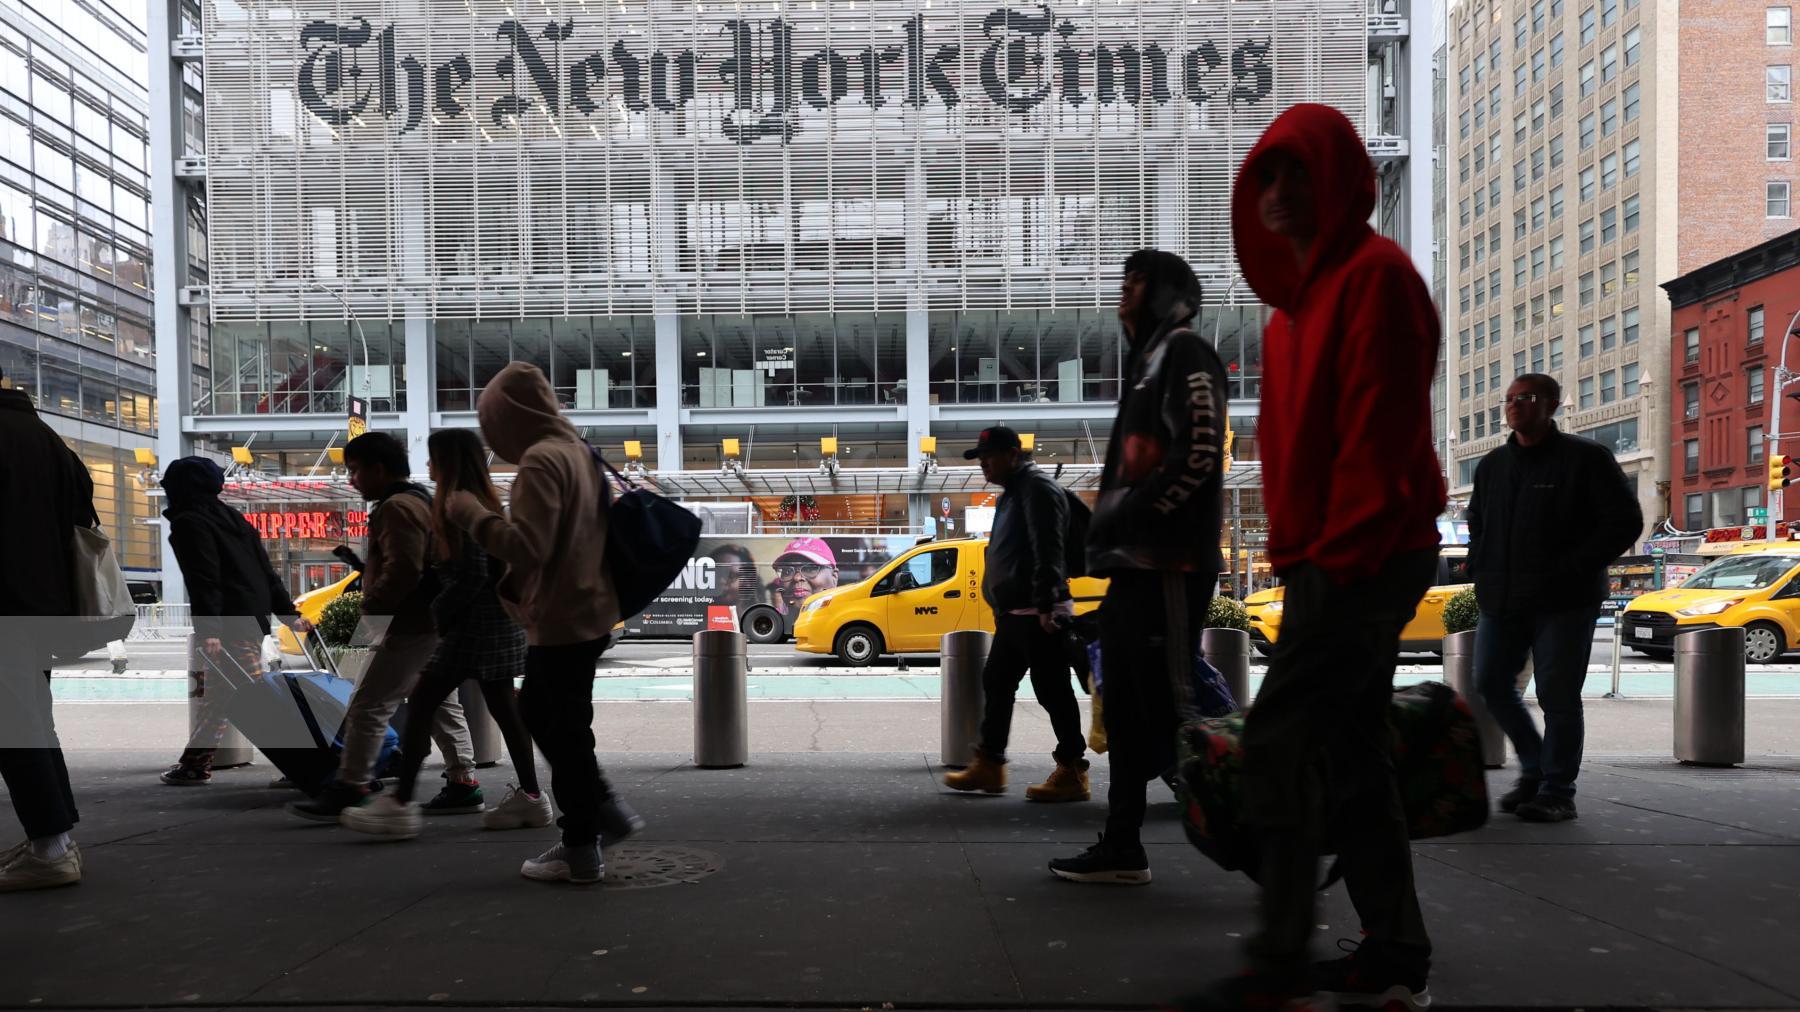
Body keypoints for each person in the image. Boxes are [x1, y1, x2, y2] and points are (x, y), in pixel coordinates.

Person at [1188, 103, 1447, 1011]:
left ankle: (1284, 947)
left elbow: (1380, 440)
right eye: (1264, 176)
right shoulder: (1289, 315)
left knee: (1282, 740)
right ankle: (1392, 947)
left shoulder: (1378, 280)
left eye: (1296, 171)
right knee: (1344, 750)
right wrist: (1295, 555)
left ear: (1340, 177)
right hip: (1324, 557)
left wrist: (1332, 560)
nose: (1278, 193)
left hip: (1366, 552)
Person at [1047, 249, 1228, 885]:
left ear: (1168, 295)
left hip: (1169, 564)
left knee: (1175, 707)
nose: (1122, 295)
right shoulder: (1148, 363)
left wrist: (1137, 518)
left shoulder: (1183, 353)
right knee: (1124, 704)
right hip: (1137, 565)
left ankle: (1262, 834)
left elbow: (1200, 450)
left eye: (1135, 284)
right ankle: (1121, 844)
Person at [445, 362, 644, 885]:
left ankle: (587, 834)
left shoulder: (540, 462)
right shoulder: (579, 453)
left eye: (492, 423)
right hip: (590, 608)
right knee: (558, 719)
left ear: (510, 418)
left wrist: (469, 512)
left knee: (554, 719)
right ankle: (592, 823)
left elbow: (527, 549)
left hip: (561, 615)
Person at [341, 429, 552, 839]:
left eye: (433, 458)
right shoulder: (481, 499)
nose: (428, 466)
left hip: (473, 626)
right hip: (496, 623)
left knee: (421, 703)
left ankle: (399, 806)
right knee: (503, 709)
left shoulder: (458, 503)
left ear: (448, 462)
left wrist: (438, 613)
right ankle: (530, 797)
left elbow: (471, 573)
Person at [1469, 374, 1642, 824]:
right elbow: (1477, 523)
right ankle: (1534, 770)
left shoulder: (1586, 459)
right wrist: (1478, 563)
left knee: (1558, 697)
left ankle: (1557, 790)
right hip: (1501, 598)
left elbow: (1624, 523)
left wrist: (1570, 567)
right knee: (1489, 684)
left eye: (1524, 398)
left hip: (1565, 601)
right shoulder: (1492, 466)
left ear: (1552, 404)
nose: (1514, 405)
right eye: (1508, 399)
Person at [288, 432, 478, 821]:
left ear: (379, 468)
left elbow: (404, 568)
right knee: (441, 703)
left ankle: (351, 785)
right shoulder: (423, 500)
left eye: (355, 471)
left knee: (368, 703)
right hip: (431, 619)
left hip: (404, 622)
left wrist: (370, 606)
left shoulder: (396, 507)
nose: (351, 480)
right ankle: (462, 780)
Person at [943, 425, 1088, 802]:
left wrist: (1050, 604)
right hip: (1016, 614)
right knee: (998, 682)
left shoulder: (1037, 489)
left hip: (1037, 613)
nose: (984, 466)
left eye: (988, 458)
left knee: (1052, 691)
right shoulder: (1015, 492)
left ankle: (1072, 769)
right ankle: (990, 765)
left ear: (1012, 454)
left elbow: (1048, 548)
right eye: (981, 459)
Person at [157, 456, 311, 785]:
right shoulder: (234, 519)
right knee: (221, 695)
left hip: (228, 626)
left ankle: (308, 763)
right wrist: (288, 615)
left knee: (256, 699)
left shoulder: (190, 522)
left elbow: (204, 579)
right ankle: (195, 763)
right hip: (251, 622)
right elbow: (266, 573)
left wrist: (209, 630)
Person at [0, 368, 93, 890]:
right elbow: (84, 517)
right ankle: (55, 839)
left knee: (15, 728)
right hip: (41, 606)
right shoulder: (51, 441)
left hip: (3, 603)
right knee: (32, 722)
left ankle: (51, 847)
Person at [769, 538, 839, 614]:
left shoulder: (847, 616)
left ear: (834, 577)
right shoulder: (774, 620)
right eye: (787, 571)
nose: (797, 578)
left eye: (810, 569)